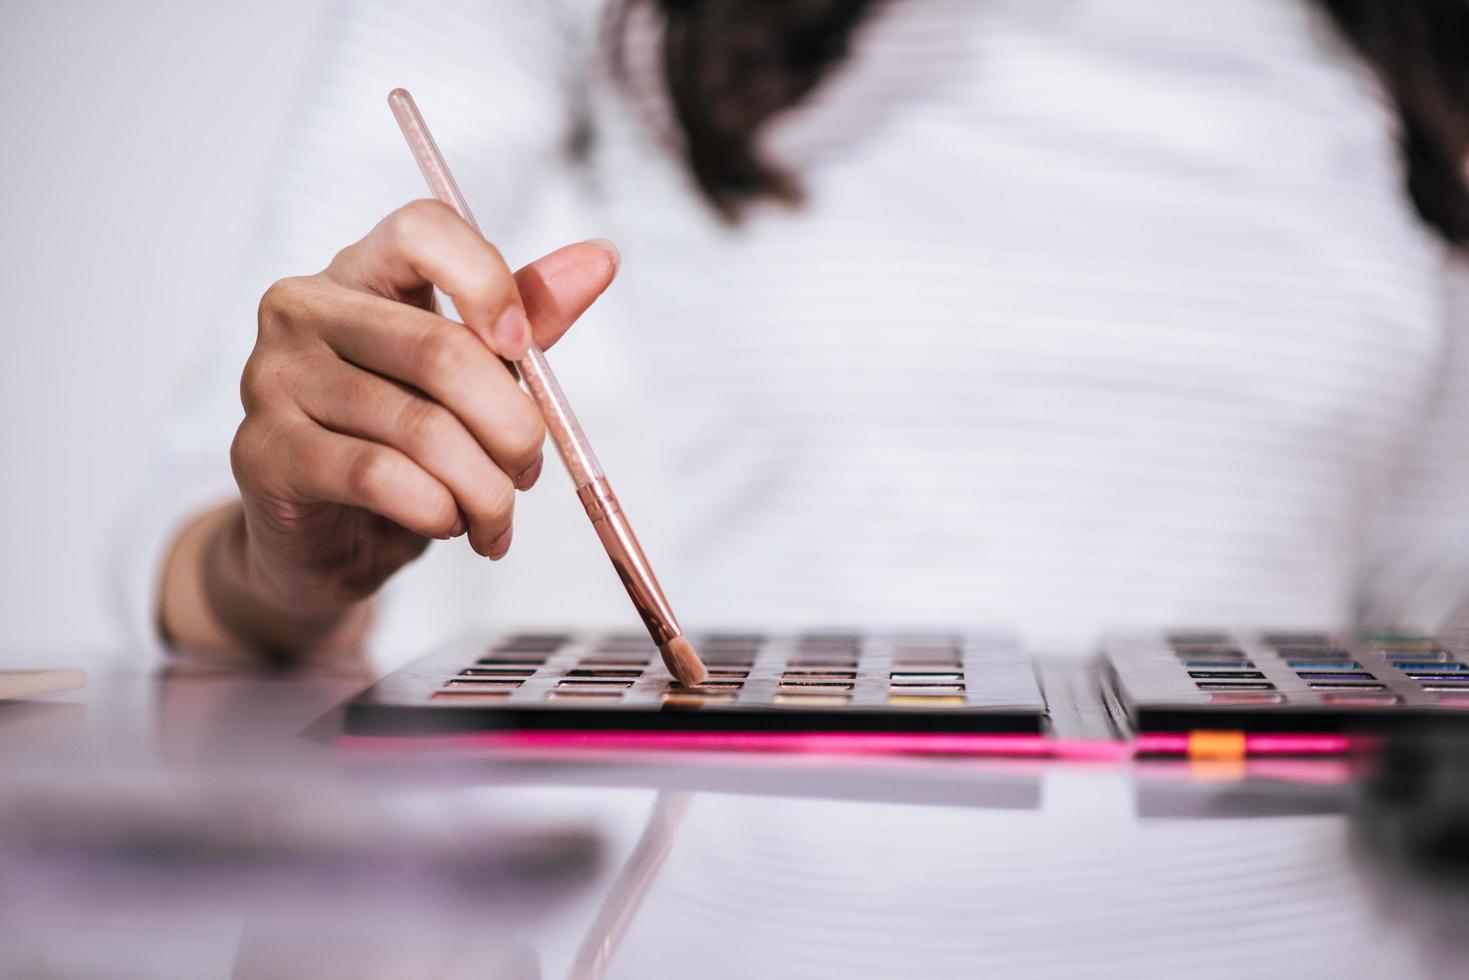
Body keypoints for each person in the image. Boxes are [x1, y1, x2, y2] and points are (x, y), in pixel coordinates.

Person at [133, 0, 1469, 665]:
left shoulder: (1417, 41)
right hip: (775, 903)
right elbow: (179, 536)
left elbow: (1419, 588)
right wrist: (288, 566)